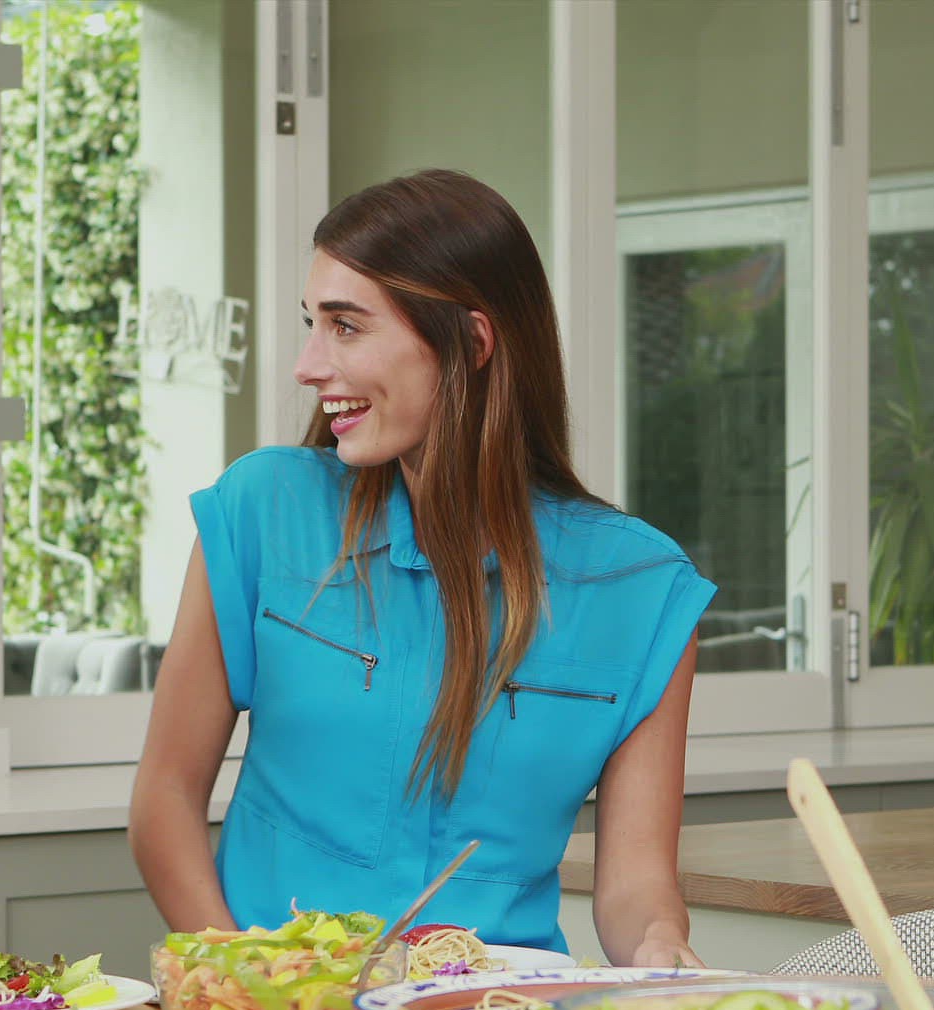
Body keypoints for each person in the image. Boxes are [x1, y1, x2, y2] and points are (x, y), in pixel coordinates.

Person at [130, 169, 714, 966]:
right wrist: (248, 981)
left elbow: (635, 883)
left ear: (471, 343)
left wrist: (660, 943)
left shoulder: (642, 591)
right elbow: (163, 802)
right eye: (312, 323)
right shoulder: (261, 512)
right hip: (267, 1008)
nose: (308, 365)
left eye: (346, 326)